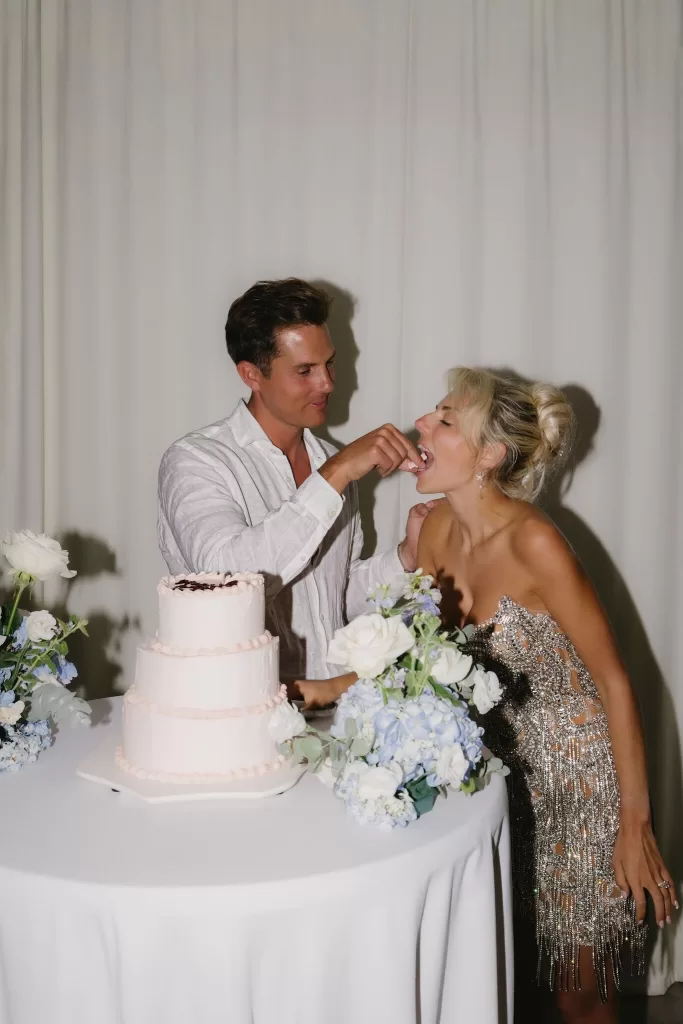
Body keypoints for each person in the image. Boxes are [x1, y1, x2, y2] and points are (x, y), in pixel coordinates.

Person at [411, 367, 677, 1023]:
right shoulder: (435, 531)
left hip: (581, 789)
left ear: (487, 456)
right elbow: (420, 658)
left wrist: (634, 828)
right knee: (506, 978)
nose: (422, 424)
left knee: (578, 995)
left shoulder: (533, 540)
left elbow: (613, 680)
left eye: (445, 420)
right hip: (499, 787)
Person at [157, 278, 434, 700]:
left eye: (329, 364)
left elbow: (334, 599)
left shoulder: (330, 462)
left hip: (335, 709)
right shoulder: (195, 460)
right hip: (236, 712)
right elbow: (227, 579)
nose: (327, 384)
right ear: (252, 374)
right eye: (305, 370)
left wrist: (406, 558)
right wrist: (337, 473)